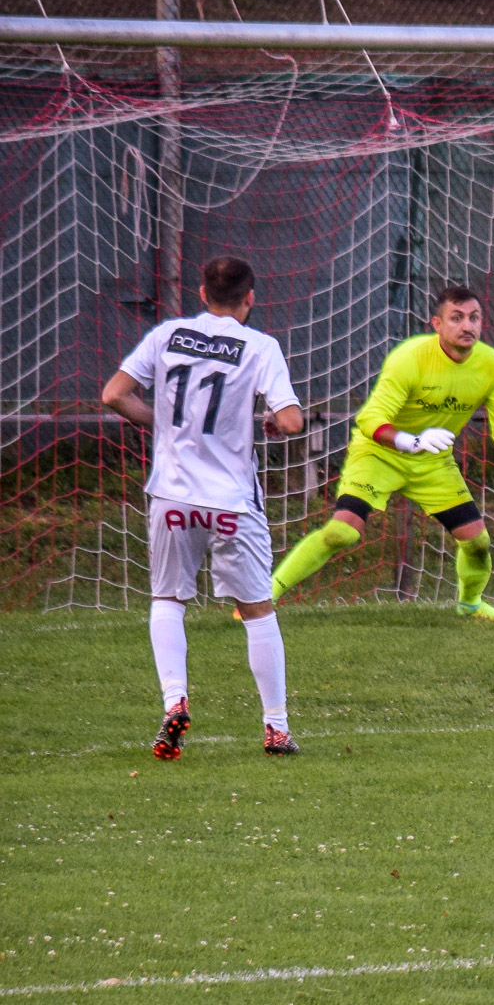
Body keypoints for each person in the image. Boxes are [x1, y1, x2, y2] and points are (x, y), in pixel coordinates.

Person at [101, 256, 306, 758]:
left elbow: (114, 395)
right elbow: (292, 421)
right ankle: (276, 728)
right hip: (231, 501)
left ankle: (175, 701)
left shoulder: (167, 335)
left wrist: (166, 426)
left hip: (172, 495)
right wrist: (273, 421)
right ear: (250, 298)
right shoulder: (259, 346)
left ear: (201, 294)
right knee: (257, 610)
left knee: (168, 599)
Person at [269, 285, 494, 622]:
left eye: (474, 318)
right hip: (379, 455)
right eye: (457, 318)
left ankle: (470, 604)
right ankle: (264, 597)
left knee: (477, 543)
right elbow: (370, 419)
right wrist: (411, 441)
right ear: (437, 324)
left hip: (432, 463)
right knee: (341, 532)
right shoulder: (410, 357)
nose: (467, 326)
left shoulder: (492, 364)